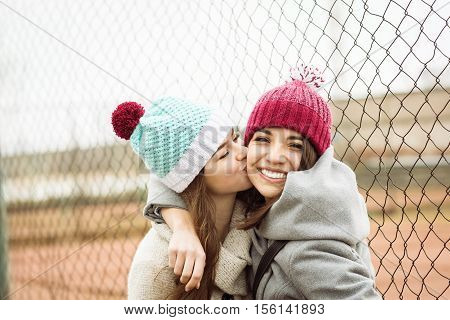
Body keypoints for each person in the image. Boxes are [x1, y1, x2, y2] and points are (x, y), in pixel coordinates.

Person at [144, 65, 382, 299]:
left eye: (295, 145)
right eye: (263, 140)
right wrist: (182, 227)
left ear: (314, 161)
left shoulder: (308, 249)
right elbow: (171, 171)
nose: (273, 157)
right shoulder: (260, 197)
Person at [111, 97, 252, 299]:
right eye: (225, 154)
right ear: (193, 180)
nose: (244, 152)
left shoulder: (258, 223)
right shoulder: (154, 269)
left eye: (236, 138)